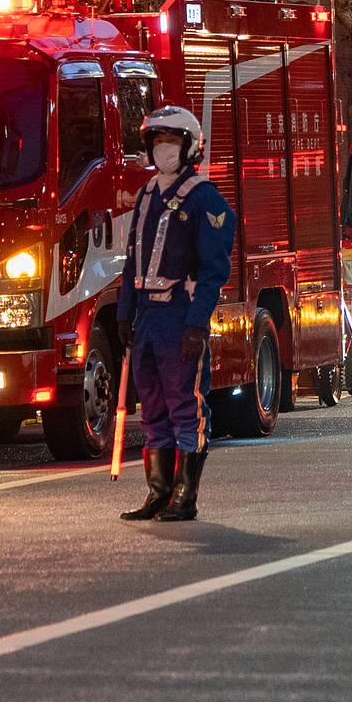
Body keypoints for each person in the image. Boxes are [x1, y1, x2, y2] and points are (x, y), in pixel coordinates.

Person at [117, 106, 234, 522]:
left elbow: (213, 271)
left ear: (190, 148)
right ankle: (159, 492)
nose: (164, 150)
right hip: (146, 315)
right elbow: (132, 260)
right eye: (157, 142)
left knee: (186, 403)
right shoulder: (147, 194)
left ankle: (185, 496)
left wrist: (197, 324)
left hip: (179, 314)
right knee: (151, 406)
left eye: (172, 142)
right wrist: (124, 315)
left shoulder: (205, 199)